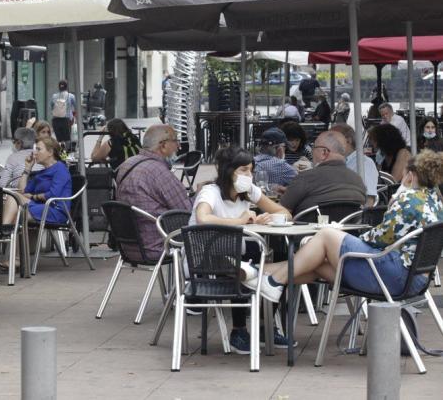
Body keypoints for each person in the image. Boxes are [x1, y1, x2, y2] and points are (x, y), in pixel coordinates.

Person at [254, 150, 443, 303]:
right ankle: (257, 273)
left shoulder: (408, 199)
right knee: (316, 261)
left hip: (394, 277)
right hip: (416, 279)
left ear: (410, 175)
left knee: (327, 235)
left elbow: (380, 239)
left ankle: (272, 279)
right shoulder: (435, 200)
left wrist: (350, 238)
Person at [190, 146, 293, 353]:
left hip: (236, 254)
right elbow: (203, 218)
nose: (249, 175)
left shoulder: (249, 191)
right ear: (228, 170)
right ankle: (239, 330)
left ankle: (265, 326)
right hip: (205, 260)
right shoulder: (211, 192)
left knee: (282, 261)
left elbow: (285, 212)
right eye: (243, 170)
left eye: (251, 170)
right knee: (252, 258)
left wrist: (269, 218)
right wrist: (239, 221)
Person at [115, 125, 192, 261]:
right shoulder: (158, 172)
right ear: (163, 145)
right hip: (158, 246)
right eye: (175, 141)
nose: (178, 146)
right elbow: (186, 212)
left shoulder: (126, 164)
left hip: (129, 247)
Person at [0, 136, 72, 270]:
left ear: (50, 152)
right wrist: (27, 169)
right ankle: (16, 258)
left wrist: (34, 196)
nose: (34, 153)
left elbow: (53, 194)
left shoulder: (60, 169)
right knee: (15, 208)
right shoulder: (41, 173)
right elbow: (23, 190)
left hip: (55, 210)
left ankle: (3, 232)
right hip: (40, 208)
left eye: (38, 149)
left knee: (13, 198)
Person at [280, 131, 366, 215]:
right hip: (349, 228)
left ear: (324, 152)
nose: (312, 151)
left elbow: (281, 212)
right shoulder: (358, 180)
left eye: (314, 147)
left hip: (310, 228)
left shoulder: (306, 177)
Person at [331, 124, 379, 207]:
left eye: (332, 140)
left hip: (348, 214)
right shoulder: (335, 161)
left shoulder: (364, 163)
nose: (328, 144)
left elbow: (369, 200)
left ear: (348, 141)